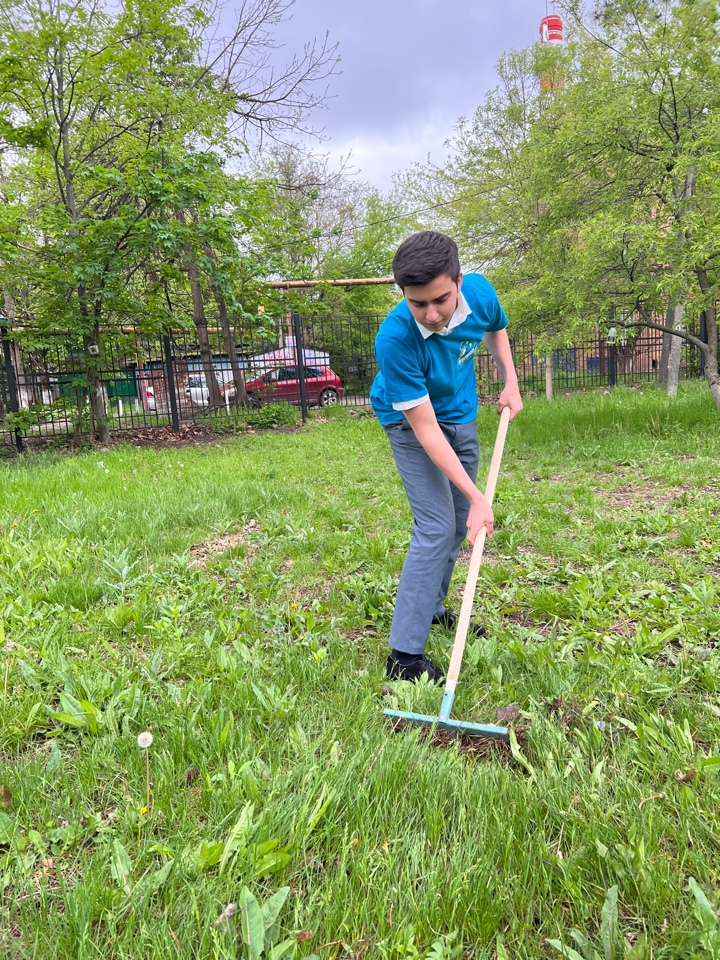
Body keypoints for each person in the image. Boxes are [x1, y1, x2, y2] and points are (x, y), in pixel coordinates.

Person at [370, 231, 523, 683]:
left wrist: (510, 381)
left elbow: (496, 328)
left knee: (458, 523)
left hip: (460, 412)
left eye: (440, 299)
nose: (432, 314)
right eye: (419, 304)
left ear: (458, 281)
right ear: (404, 296)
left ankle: (433, 609)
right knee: (437, 525)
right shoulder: (394, 339)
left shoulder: (479, 291)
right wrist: (478, 496)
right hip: (410, 422)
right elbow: (425, 430)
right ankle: (404, 655)